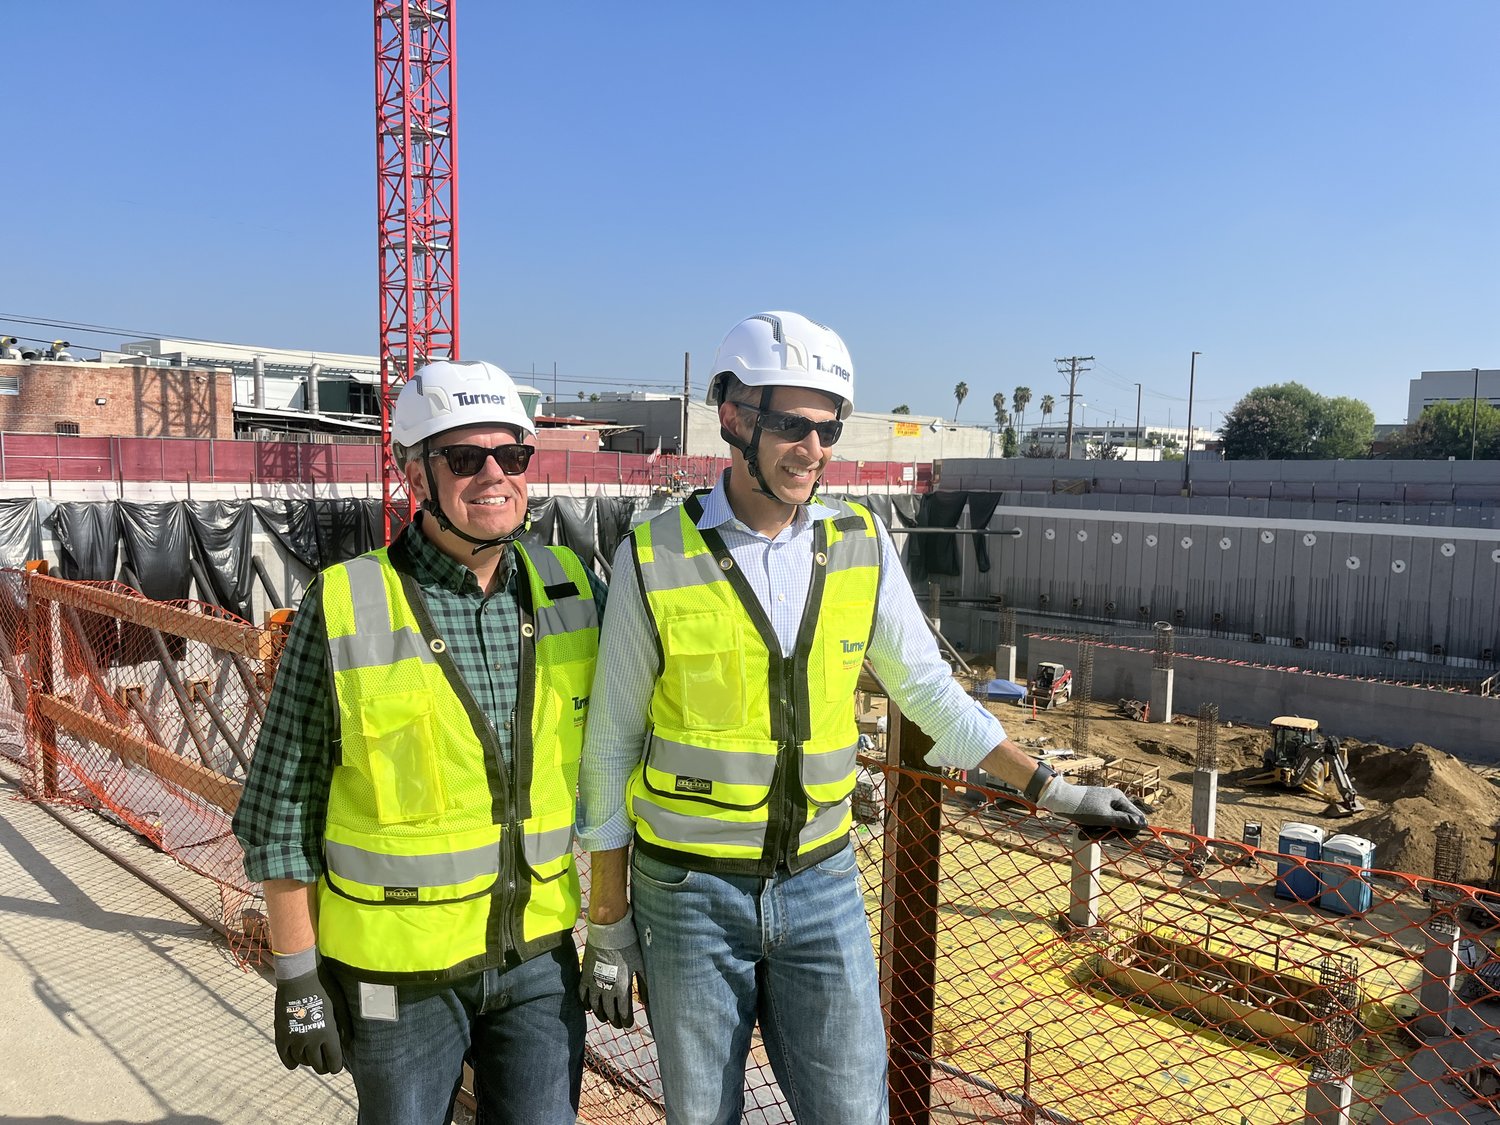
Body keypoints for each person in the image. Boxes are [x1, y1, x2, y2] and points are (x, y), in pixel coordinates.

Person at [576, 311, 1147, 1125]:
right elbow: (609, 749)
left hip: (822, 884)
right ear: (734, 418)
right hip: (688, 895)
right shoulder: (655, 554)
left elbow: (930, 694)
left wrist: (1052, 790)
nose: (811, 447)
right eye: (789, 425)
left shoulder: (860, 543)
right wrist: (607, 921)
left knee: (853, 1110)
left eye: (827, 427)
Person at [233, 359, 605, 1125]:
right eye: (465, 458)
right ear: (414, 473)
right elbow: (280, 810)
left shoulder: (568, 587)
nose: (494, 475)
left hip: (536, 957)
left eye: (513, 456)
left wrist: (615, 922)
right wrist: (298, 975)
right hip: (397, 977)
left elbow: (623, 743)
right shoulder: (344, 603)